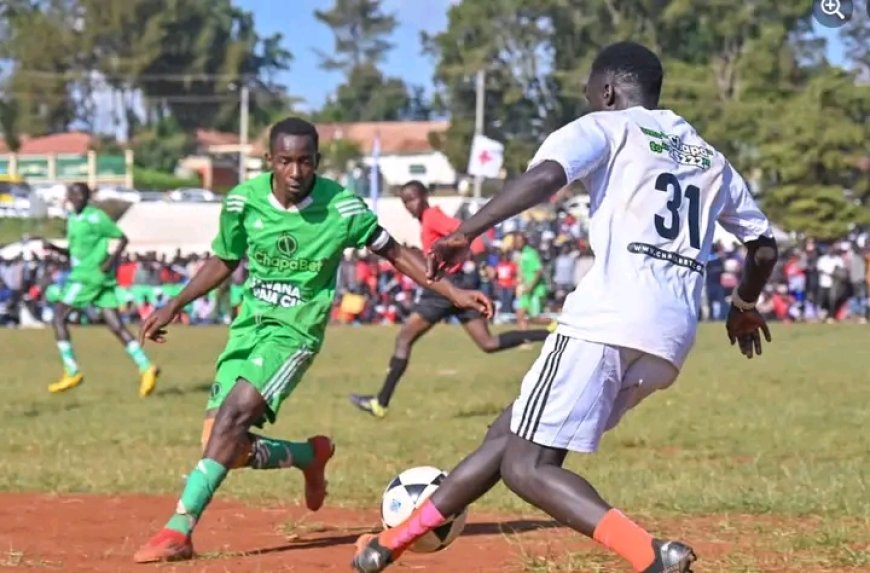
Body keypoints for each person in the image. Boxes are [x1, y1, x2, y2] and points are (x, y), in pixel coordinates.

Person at [351, 41, 778, 573]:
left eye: (588, 93)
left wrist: (467, 232)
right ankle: (387, 547)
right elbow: (762, 245)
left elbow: (548, 177)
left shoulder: (607, 126)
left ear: (607, 90)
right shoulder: (707, 156)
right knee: (508, 436)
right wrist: (743, 303)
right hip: (669, 340)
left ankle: (652, 555)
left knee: (526, 466)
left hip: (606, 317)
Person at [132, 117, 492, 563]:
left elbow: (397, 254)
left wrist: (453, 291)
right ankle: (308, 455)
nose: (296, 172)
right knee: (223, 445)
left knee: (231, 420)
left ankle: (178, 531)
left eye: (305, 162)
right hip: (248, 328)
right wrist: (176, 302)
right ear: (270, 161)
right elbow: (224, 259)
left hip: (295, 333)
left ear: (317, 161)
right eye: (286, 161)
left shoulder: (342, 209)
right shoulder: (242, 203)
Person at [349, 180, 549, 418]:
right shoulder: (427, 221)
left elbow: (467, 236)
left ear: (425, 196)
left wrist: (482, 261)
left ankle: (380, 403)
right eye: (406, 202)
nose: (410, 205)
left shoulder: (433, 216)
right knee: (489, 344)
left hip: (443, 291)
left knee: (404, 339)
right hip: (457, 288)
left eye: (413, 198)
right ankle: (549, 335)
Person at [42, 182, 159, 397]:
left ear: (87, 198)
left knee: (58, 317)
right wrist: (54, 249)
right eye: (72, 194)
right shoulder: (72, 220)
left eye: (80, 195)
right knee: (115, 325)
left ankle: (72, 370)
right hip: (93, 276)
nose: (75, 198)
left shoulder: (95, 217)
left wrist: (111, 262)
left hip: (89, 276)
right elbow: (75, 252)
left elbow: (122, 238)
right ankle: (146, 367)